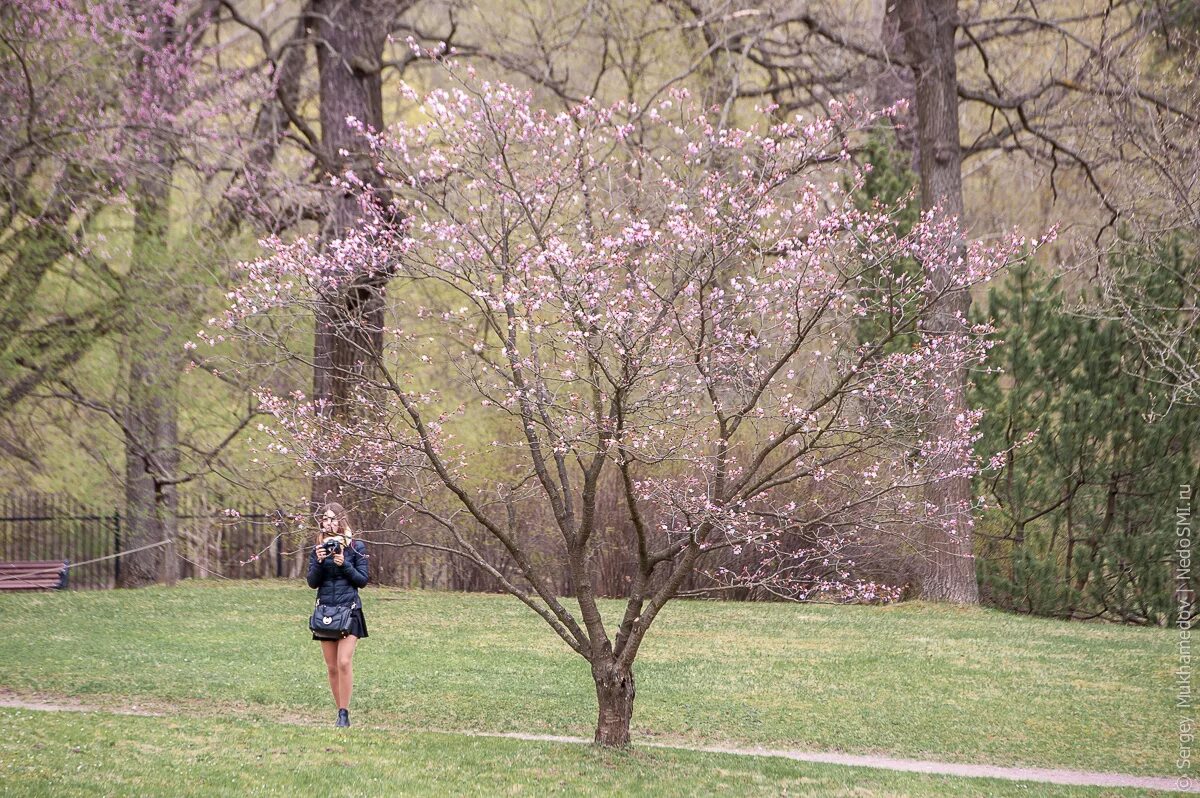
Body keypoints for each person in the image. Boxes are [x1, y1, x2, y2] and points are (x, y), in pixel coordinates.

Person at [306, 502, 369, 727]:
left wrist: (344, 565)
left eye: (334, 518)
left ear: (342, 521)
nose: (329, 522)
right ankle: (339, 713)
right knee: (331, 667)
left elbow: (362, 580)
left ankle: (345, 711)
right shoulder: (318, 548)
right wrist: (320, 562)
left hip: (350, 610)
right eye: (325, 518)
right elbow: (312, 583)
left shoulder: (355, 547)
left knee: (344, 662)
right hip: (327, 612)